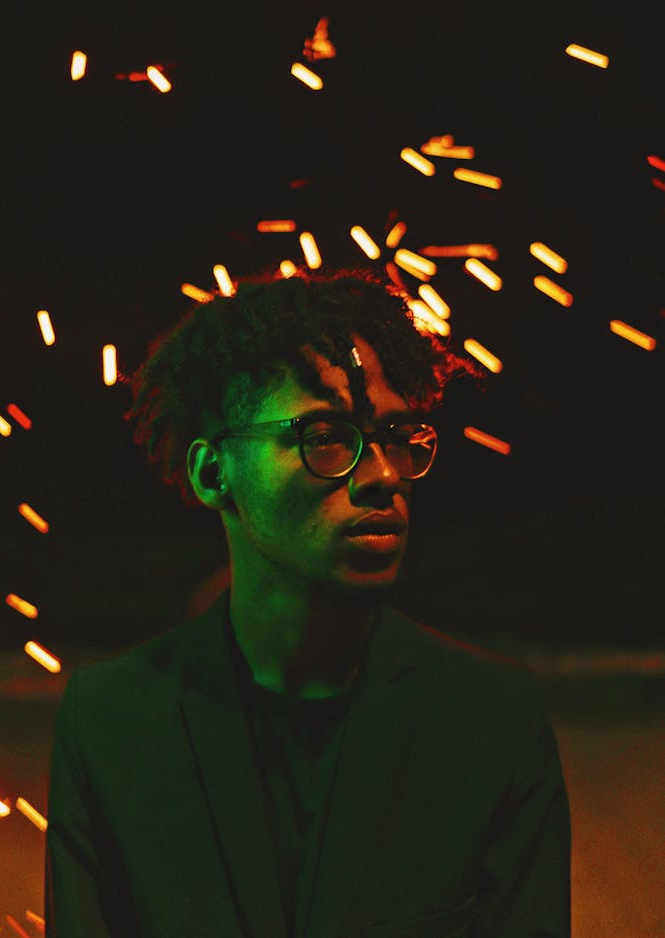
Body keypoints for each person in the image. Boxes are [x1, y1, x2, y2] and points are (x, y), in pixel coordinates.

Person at [44, 266, 571, 937]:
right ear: (214, 472)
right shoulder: (112, 724)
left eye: (396, 437)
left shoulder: (494, 724)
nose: (383, 475)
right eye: (326, 436)